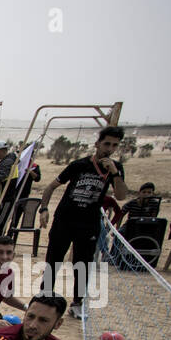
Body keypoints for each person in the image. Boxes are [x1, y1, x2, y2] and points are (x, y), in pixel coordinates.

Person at [37, 125, 129, 320]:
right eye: (106, 144)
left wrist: (114, 173)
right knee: (54, 260)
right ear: (97, 144)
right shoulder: (79, 165)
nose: (109, 148)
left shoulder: (116, 169)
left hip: (89, 223)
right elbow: (51, 187)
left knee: (83, 263)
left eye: (114, 145)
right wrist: (44, 209)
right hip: (65, 219)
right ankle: (43, 298)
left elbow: (121, 195)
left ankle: (77, 303)